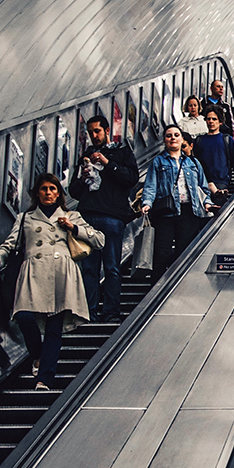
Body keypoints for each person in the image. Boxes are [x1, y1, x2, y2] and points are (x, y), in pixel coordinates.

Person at [0, 176, 103, 390]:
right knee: (25, 317)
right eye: (43, 189)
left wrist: (73, 227)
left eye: (52, 189)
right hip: (33, 273)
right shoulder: (25, 218)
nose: (48, 193)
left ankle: (44, 379)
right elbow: (10, 245)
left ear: (58, 193)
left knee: (54, 329)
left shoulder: (71, 215)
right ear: (37, 193)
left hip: (61, 275)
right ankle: (37, 355)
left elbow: (99, 239)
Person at [68, 113, 139, 324]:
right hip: (87, 216)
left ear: (107, 131)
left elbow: (131, 179)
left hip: (113, 217)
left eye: (97, 131)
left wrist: (107, 163)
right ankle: (90, 312)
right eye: (90, 133)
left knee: (112, 267)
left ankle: (111, 311)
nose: (94, 136)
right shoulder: (86, 156)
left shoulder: (122, 152)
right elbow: (74, 191)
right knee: (89, 268)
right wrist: (82, 175)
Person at [142, 124, 214, 281]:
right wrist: (147, 203)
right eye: (168, 136)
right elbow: (150, 186)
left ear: (182, 140)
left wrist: (207, 203)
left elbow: (203, 188)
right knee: (162, 253)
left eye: (176, 135)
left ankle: (181, 285)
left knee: (185, 252)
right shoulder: (158, 162)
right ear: (164, 141)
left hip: (190, 212)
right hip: (165, 213)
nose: (172, 138)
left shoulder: (193, 163)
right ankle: (157, 289)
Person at [195, 107, 234, 203]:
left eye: (214, 119)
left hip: (221, 182)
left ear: (220, 122)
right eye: (208, 119)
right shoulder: (199, 140)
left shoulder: (227, 139)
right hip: (202, 183)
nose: (211, 121)